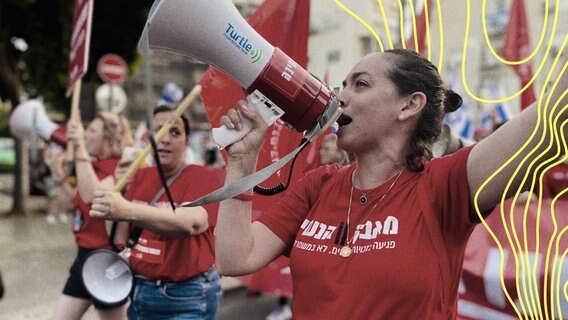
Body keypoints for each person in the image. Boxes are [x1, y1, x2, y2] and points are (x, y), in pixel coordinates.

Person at [214, 49, 568, 318]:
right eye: (342, 85)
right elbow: (235, 257)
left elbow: (547, 123)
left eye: (360, 85)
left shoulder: (443, 185)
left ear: (409, 105)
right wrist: (243, 161)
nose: (339, 98)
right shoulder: (318, 186)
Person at [89, 105, 225, 320]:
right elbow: (119, 238)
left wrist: (127, 208)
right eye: (159, 130)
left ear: (186, 141)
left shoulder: (204, 176)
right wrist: (120, 189)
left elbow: (191, 223)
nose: (166, 138)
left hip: (187, 296)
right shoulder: (140, 176)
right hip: (141, 291)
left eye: (175, 132)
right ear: (148, 137)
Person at [53, 111, 133, 320]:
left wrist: (79, 145)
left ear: (108, 136)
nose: (86, 134)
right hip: (83, 257)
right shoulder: (91, 167)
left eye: (92, 130)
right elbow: (73, 204)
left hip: (105, 261)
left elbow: (92, 196)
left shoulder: (122, 167)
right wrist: (59, 175)